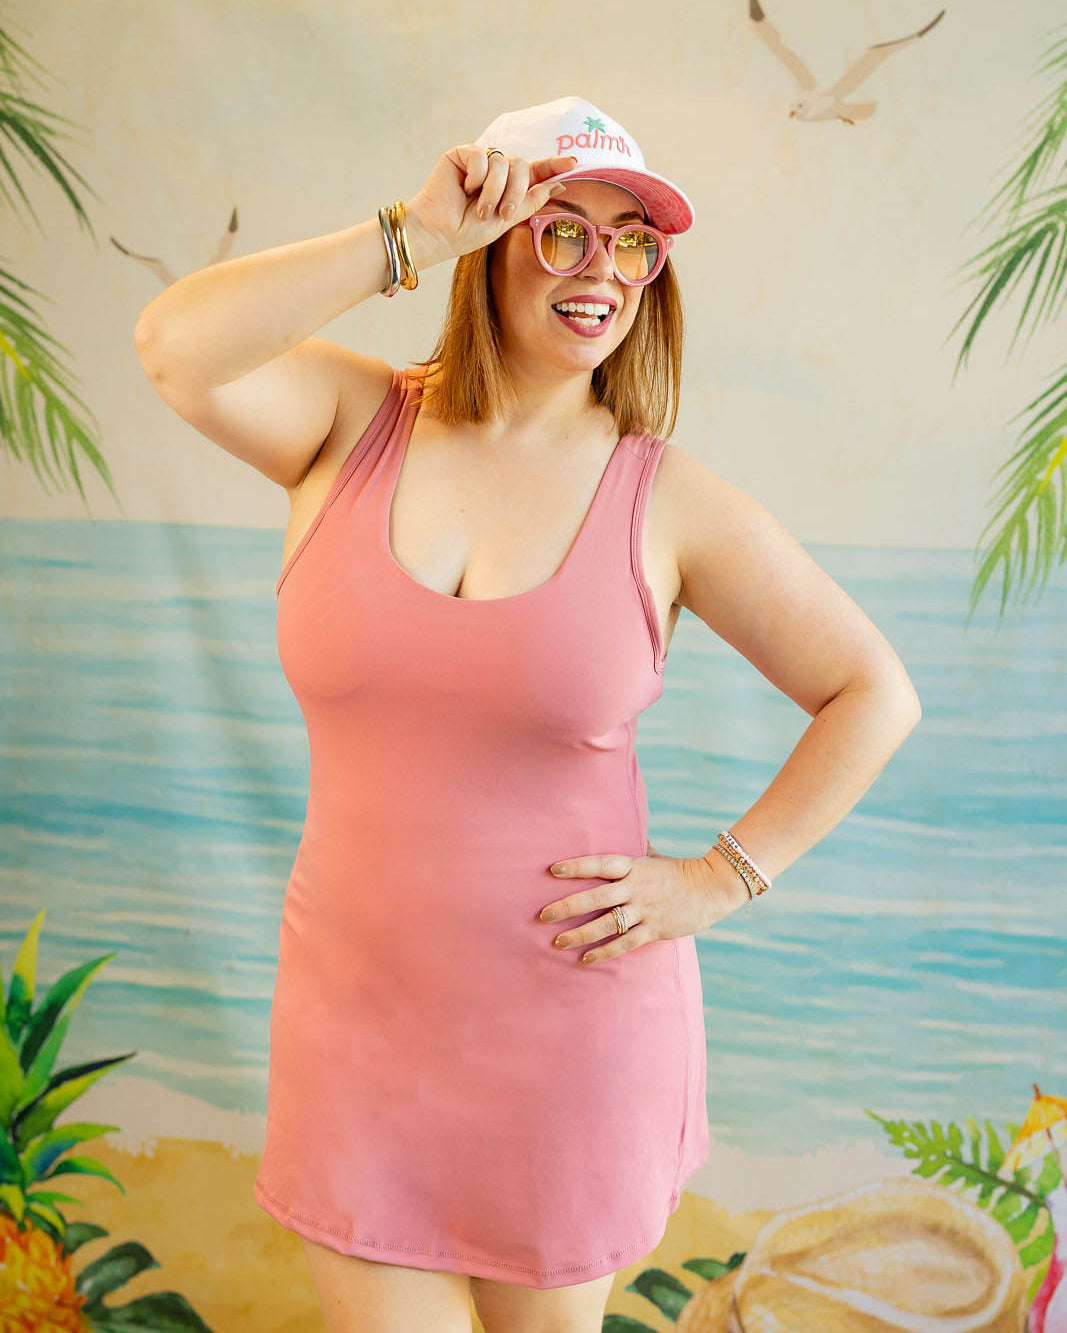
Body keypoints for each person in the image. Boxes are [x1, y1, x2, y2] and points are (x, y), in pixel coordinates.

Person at [133, 94, 921, 1333]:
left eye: (631, 241)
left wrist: (718, 878)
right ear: (490, 240)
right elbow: (175, 345)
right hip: (358, 1029)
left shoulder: (668, 499)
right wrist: (407, 232)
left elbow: (872, 690)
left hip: (572, 1039)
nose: (598, 268)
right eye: (562, 230)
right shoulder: (349, 424)